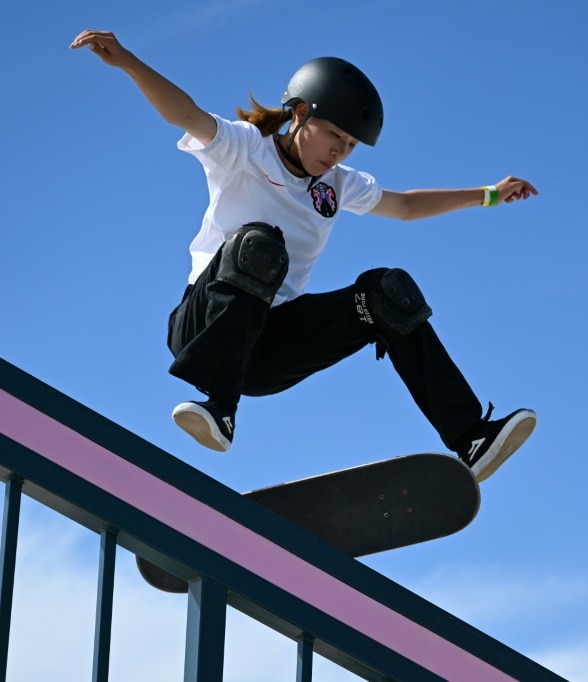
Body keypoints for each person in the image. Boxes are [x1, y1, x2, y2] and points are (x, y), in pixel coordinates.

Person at [71, 30, 538, 482]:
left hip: (269, 348)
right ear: (298, 114)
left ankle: (471, 437)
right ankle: (218, 405)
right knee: (260, 243)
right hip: (204, 326)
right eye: (333, 134)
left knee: (385, 292)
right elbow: (184, 113)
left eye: (350, 145)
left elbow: (406, 206)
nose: (339, 151)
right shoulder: (245, 150)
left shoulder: (338, 185)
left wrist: (489, 195)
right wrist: (128, 61)